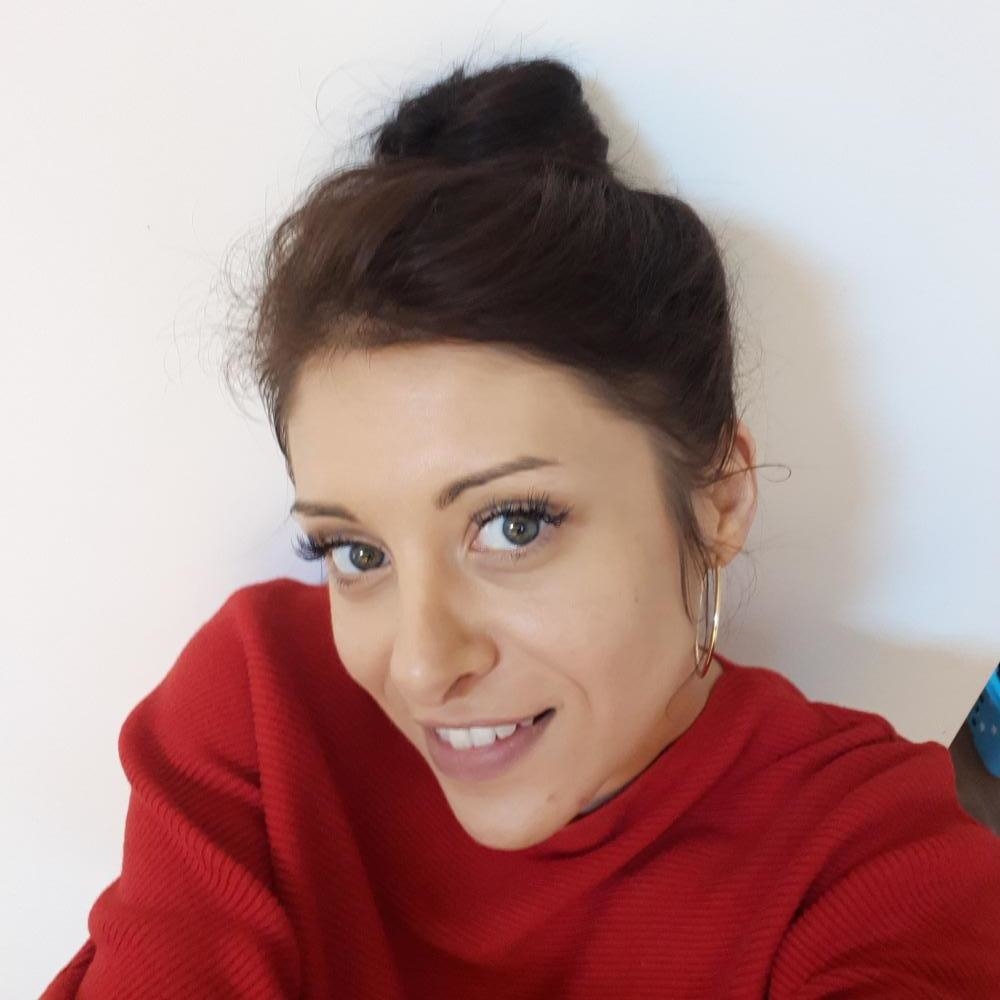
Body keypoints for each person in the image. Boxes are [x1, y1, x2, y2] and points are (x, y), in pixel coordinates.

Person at [42, 55, 1000, 999]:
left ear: (718, 499)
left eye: (512, 526)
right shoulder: (265, 707)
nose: (423, 667)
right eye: (356, 551)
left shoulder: (862, 863)